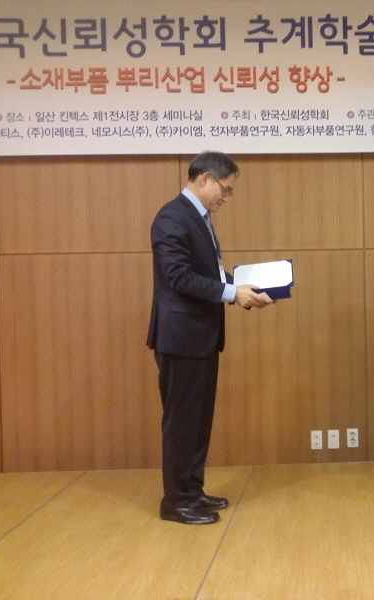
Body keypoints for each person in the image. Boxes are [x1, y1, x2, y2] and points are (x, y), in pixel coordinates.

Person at [147, 151, 268, 525]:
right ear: (205, 179)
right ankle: (176, 502)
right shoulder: (171, 217)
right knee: (182, 422)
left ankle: (192, 491)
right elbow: (179, 277)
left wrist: (242, 287)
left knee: (198, 422)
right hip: (180, 338)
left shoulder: (198, 218)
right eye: (226, 190)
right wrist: (232, 293)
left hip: (200, 337)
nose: (226, 198)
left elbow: (208, 276)